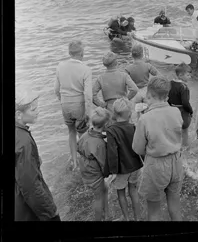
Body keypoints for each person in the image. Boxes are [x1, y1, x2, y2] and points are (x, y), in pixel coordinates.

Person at [132, 76, 183, 221]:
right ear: (166, 96)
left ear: (148, 96)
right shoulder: (176, 112)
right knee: (174, 206)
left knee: (154, 211)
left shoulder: (145, 119)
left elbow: (137, 149)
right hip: (176, 161)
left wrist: (140, 118)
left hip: (157, 165)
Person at [15, 88, 61, 221]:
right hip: (25, 209)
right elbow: (30, 185)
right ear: (18, 114)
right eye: (33, 110)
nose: (38, 112)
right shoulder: (24, 142)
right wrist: (51, 212)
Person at [54, 40, 92, 171]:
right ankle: (84, 161)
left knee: (71, 132)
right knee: (83, 133)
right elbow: (88, 95)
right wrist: (89, 112)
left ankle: (74, 162)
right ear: (81, 53)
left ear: (69, 53)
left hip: (65, 104)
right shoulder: (85, 69)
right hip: (79, 105)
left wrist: (62, 100)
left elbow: (56, 89)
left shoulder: (60, 66)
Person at [106, 98, 143, 221]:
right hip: (135, 165)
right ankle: (137, 219)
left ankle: (127, 219)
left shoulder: (111, 130)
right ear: (130, 113)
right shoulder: (133, 127)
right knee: (133, 191)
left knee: (121, 193)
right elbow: (139, 146)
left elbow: (112, 153)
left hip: (121, 169)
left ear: (115, 113)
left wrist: (113, 171)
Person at [77, 107, 111, 221]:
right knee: (98, 198)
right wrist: (108, 174)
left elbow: (78, 146)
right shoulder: (99, 143)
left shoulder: (86, 133)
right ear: (106, 124)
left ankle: (107, 216)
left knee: (103, 190)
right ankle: (99, 219)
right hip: (94, 173)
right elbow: (103, 163)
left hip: (85, 169)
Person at [92, 52, 138, 118]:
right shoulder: (123, 75)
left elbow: (92, 95)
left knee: (111, 125)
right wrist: (126, 99)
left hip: (109, 107)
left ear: (104, 64)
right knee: (125, 124)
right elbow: (134, 89)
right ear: (116, 62)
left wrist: (101, 104)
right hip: (122, 105)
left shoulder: (101, 78)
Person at [125, 44, 159, 124]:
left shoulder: (128, 68)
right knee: (147, 112)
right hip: (146, 91)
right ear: (142, 54)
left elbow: (123, 80)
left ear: (132, 55)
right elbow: (158, 75)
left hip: (134, 93)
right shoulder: (148, 66)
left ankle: (136, 129)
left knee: (135, 114)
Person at [167, 63, 193, 149]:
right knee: (184, 130)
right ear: (181, 75)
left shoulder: (170, 83)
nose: (190, 77)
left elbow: (167, 98)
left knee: (173, 129)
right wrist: (190, 111)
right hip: (182, 111)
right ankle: (185, 146)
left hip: (172, 109)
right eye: (188, 75)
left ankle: (174, 145)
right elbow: (185, 102)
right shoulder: (184, 87)